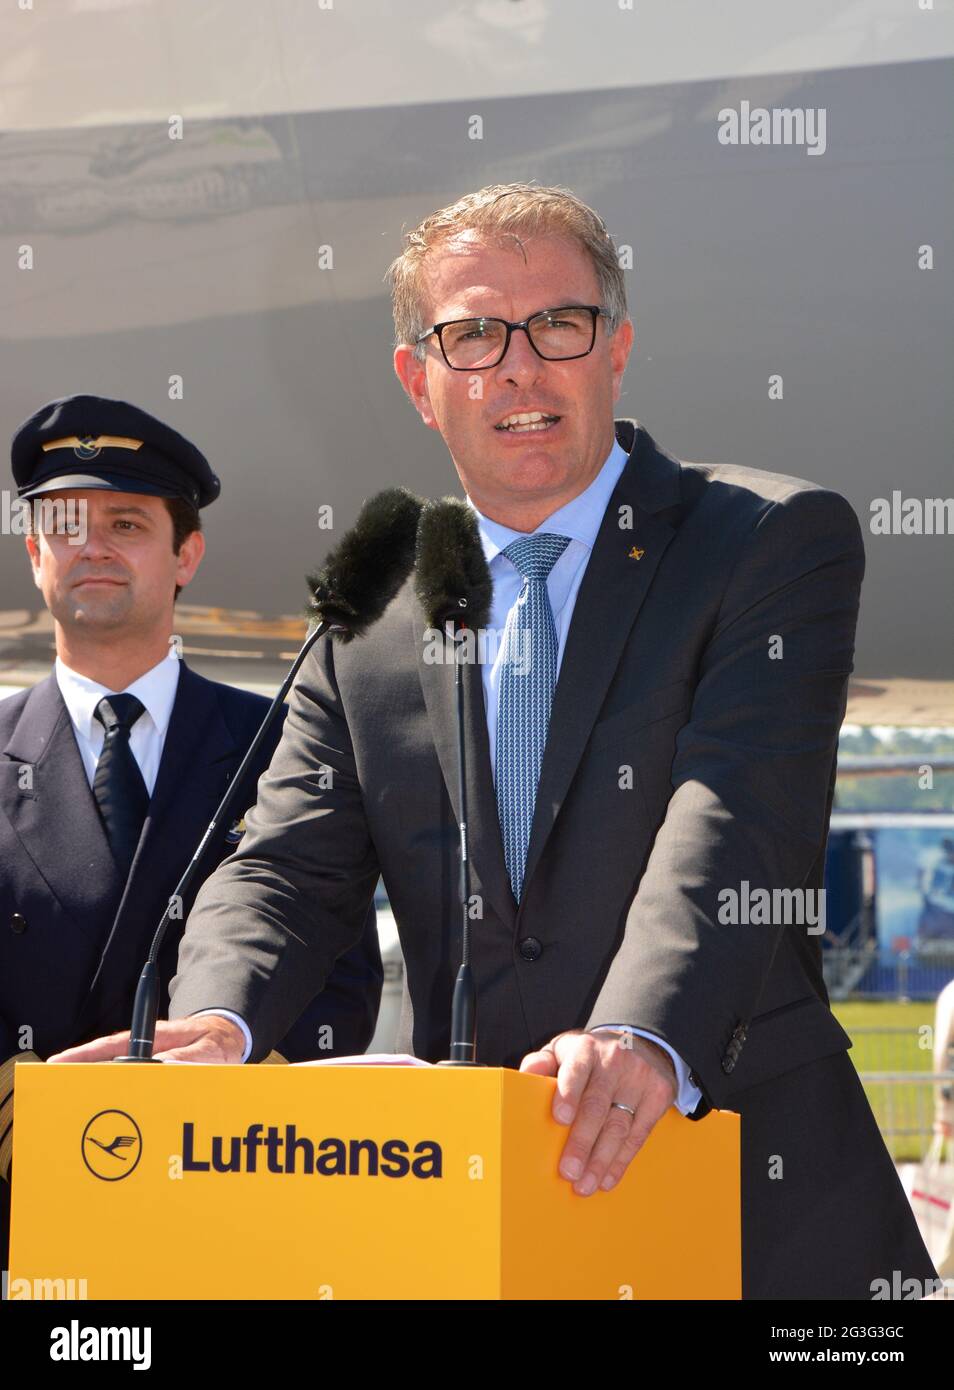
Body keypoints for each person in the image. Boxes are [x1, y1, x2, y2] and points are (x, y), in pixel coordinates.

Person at [53, 187, 937, 1298]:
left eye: (557, 325)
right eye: (471, 335)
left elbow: (735, 815)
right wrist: (216, 1022)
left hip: (754, 1202)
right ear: (419, 382)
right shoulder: (366, 617)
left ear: (616, 348)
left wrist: (637, 1035)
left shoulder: (766, 541)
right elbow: (283, 863)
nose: (518, 368)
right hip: (480, 1222)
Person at [0, 396, 383, 1255]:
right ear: (34, 555)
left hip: (229, 1193)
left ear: (186, 556)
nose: (92, 546)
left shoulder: (283, 743)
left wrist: (236, 1096)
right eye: (64, 525)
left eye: (127, 523)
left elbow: (340, 966)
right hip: (23, 1196)